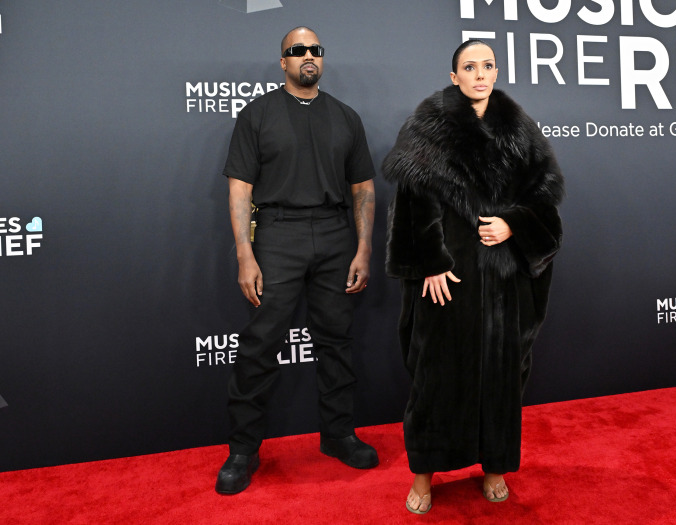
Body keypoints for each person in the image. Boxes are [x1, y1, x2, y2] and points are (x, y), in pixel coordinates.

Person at [382, 40, 564, 513]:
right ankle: (423, 474)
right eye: (469, 66)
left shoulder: (521, 129)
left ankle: (495, 467)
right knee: (436, 373)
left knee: (503, 375)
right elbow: (412, 201)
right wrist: (431, 262)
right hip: (450, 275)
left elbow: (545, 201)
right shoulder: (429, 126)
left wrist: (513, 223)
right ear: (454, 76)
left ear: (496, 71)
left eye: (487, 65)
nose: (479, 74)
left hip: (504, 281)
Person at [216, 26, 378, 495]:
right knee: (260, 344)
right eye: (297, 50)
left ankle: (339, 436)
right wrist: (245, 254)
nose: (308, 56)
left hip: (334, 234)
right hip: (277, 235)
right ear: (283, 61)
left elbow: (363, 189)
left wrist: (363, 248)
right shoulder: (257, 114)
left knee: (336, 340)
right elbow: (239, 189)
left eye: (315, 50)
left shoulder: (346, 117)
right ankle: (243, 450)